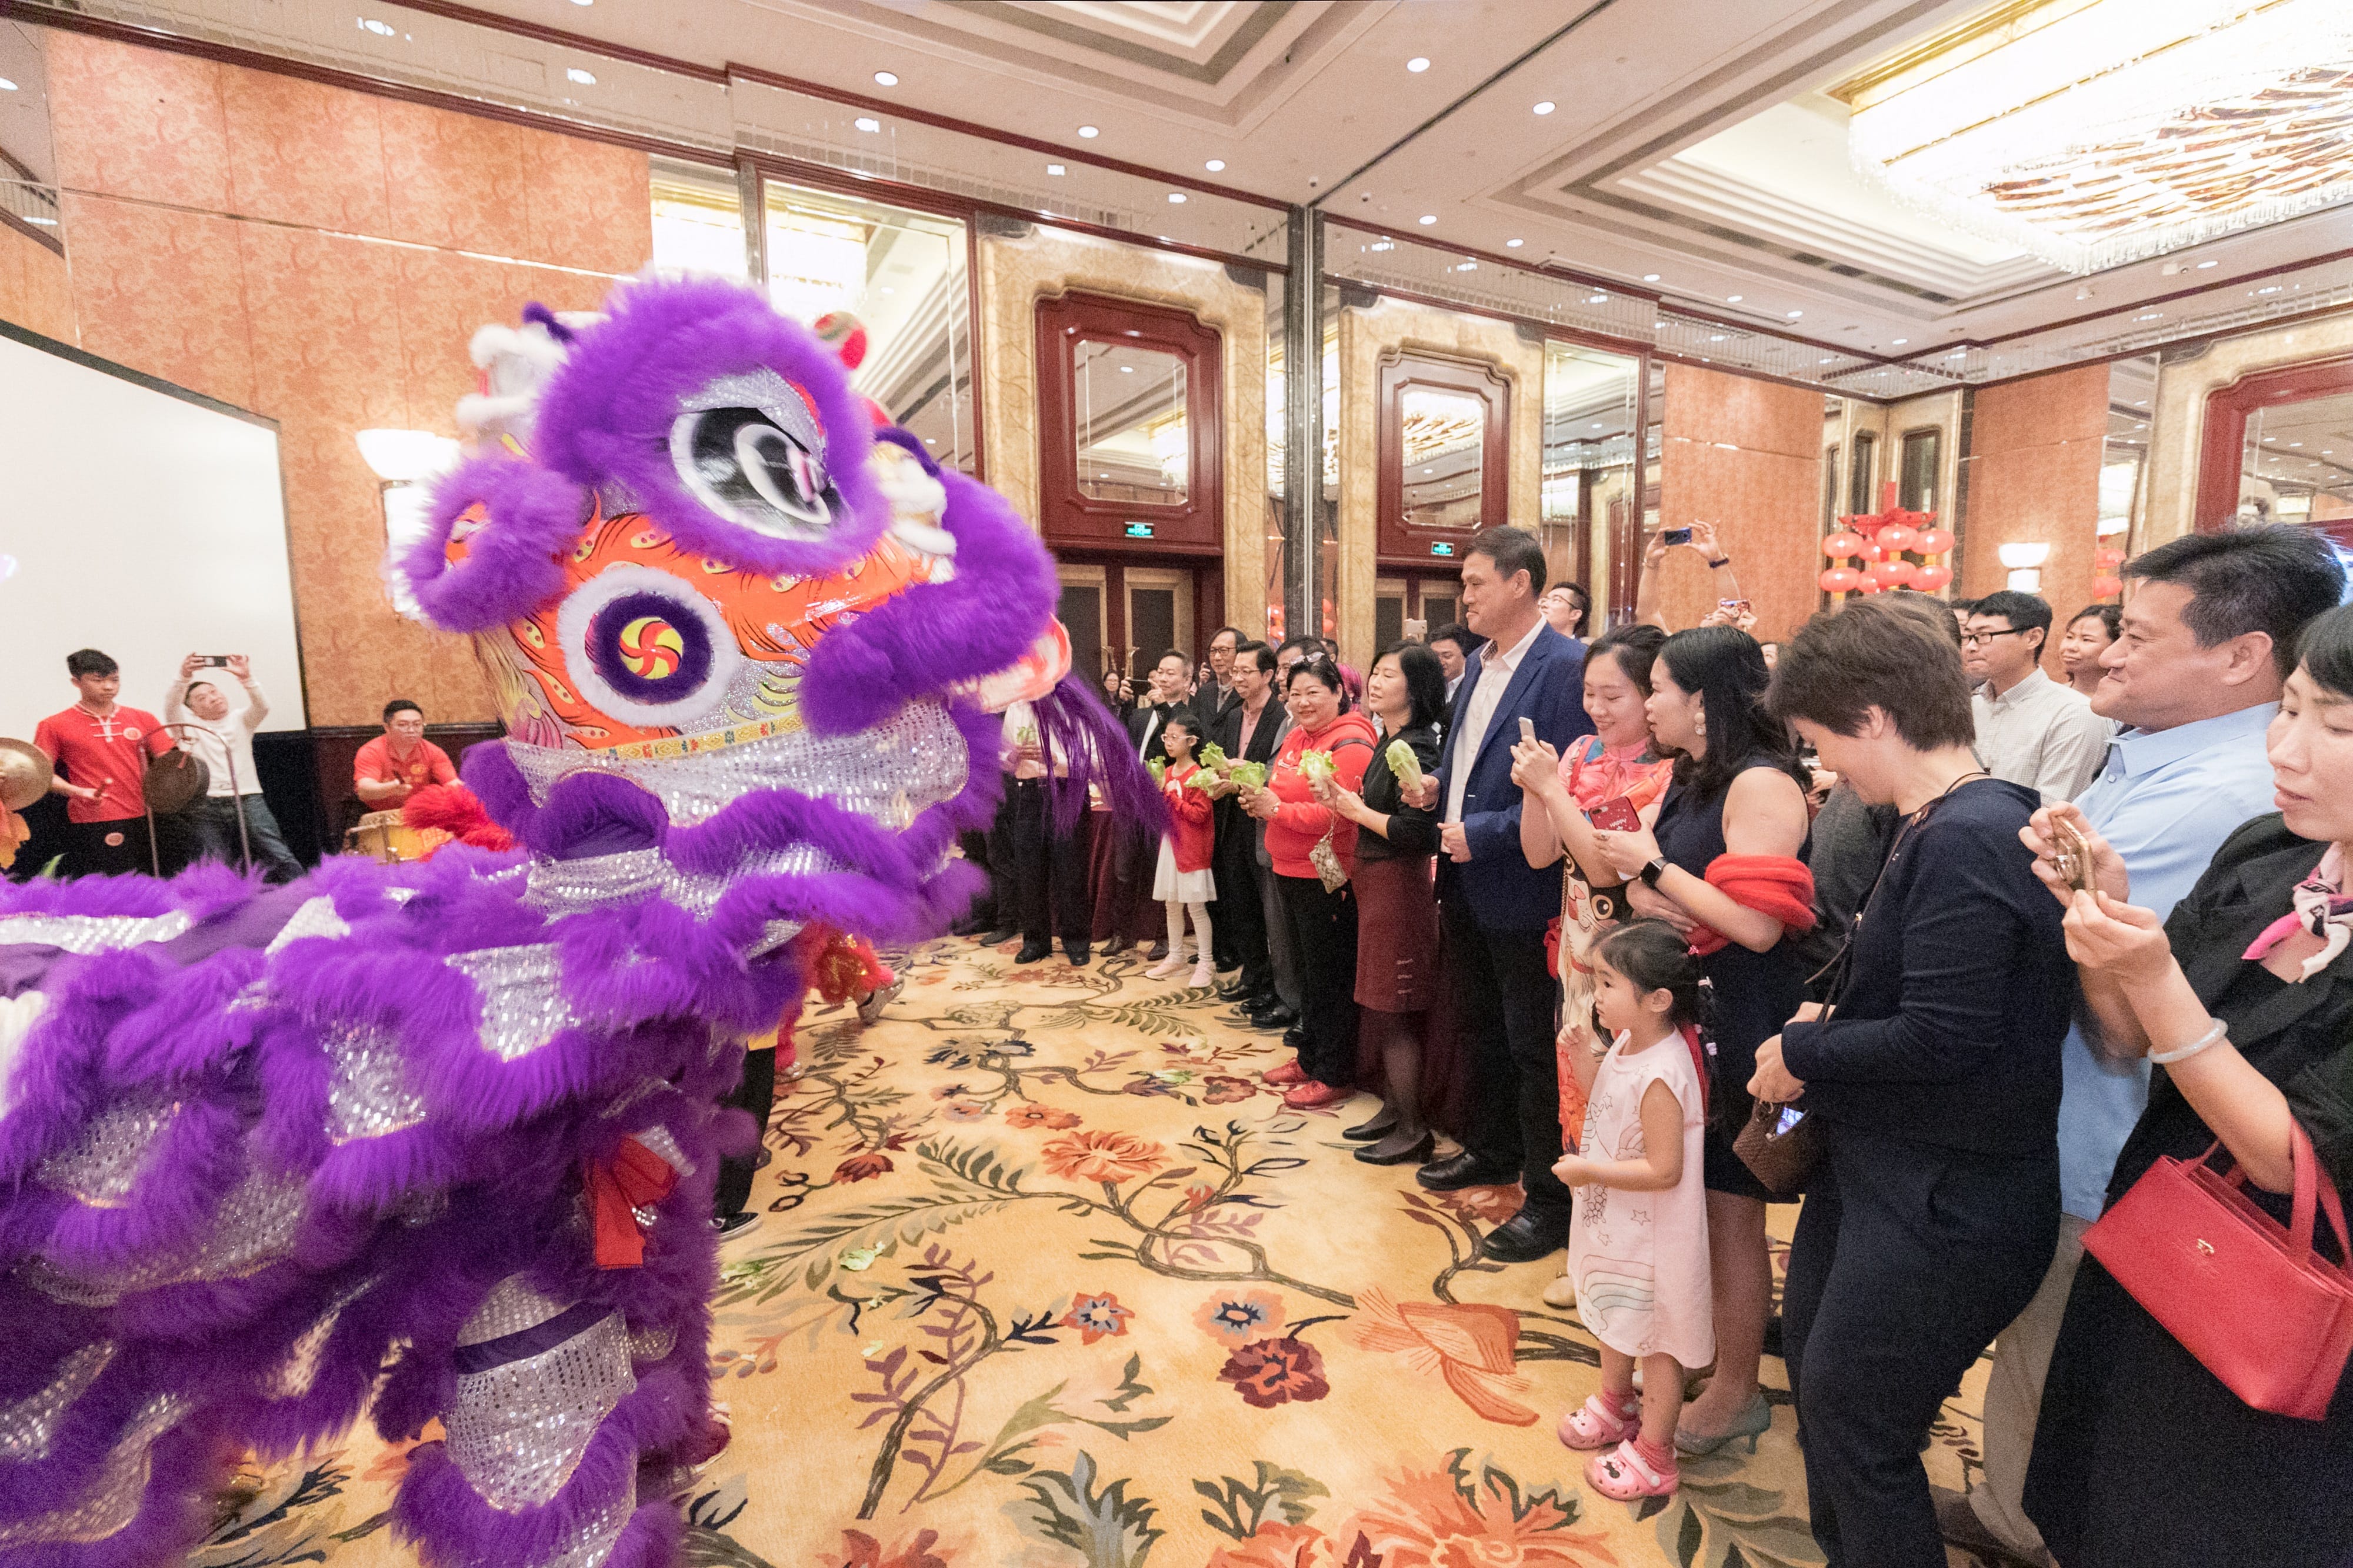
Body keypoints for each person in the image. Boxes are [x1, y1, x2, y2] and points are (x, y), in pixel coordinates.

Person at [1939, 523, 2347, 1567]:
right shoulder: (2274, 850)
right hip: (2159, 1200)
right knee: (2104, 1453)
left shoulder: (2233, 803)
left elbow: (2295, 1156)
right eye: (2292, 712)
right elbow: (2126, 1032)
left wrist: (2154, 977)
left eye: (2334, 725)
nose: (2285, 750)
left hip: (2286, 1266)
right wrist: (2103, 918)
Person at [1749, 598, 2074, 1568]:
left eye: (1823, 742)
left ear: (1875, 717)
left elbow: (1946, 1035)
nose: (1827, 768)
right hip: (1888, 1166)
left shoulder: (1972, 831)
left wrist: (1801, 1053)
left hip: (1949, 1195)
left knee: (1860, 1423)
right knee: (1829, 1393)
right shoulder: (1934, 819)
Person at [1589, 625, 1812, 1453]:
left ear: (1703, 698)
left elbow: (1757, 925)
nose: (1648, 703)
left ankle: (1736, 1390)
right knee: (1692, 1206)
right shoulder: (1694, 776)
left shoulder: (1762, 784)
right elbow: (1678, 897)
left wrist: (1654, 871)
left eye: (1657, 687)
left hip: (1747, 1023)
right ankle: (1709, 1354)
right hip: (1696, 1014)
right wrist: (1651, 892)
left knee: (1731, 1212)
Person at [1407, 525, 1595, 1264]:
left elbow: (1569, 786)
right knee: (1480, 1024)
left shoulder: (1565, 667)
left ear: (1521, 583)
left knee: (1533, 1044)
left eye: (1476, 582)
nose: (1465, 596)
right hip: (1465, 877)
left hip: (1525, 882)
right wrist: (1438, 787)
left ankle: (1549, 1197)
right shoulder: (1480, 663)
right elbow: (1475, 760)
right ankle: (1490, 1148)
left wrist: (1481, 831)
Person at [1507, 622, 1675, 1307]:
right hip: (1577, 955)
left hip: (1634, 960)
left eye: (1615, 695)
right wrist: (1534, 789)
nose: (1597, 709)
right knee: (1579, 1100)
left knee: (1630, 1108)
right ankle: (1591, 1251)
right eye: (1590, 693)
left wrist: (1552, 790)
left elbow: (1608, 869)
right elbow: (1540, 854)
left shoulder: (1667, 771)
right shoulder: (1578, 752)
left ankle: (1629, 1261)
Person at [1553, 919, 1716, 1503]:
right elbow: (1607, 1097)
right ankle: (1616, 1401)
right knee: (1615, 1309)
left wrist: (1590, 1172)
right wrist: (1584, 1058)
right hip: (1623, 1225)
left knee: (1659, 1339)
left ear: (1658, 999)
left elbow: (1665, 1168)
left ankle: (1654, 1452)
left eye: (1607, 984)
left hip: (1655, 1236)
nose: (1596, 995)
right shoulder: (1629, 1043)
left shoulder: (1664, 1072)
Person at [1321, 643, 1444, 1164]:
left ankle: (1414, 1128)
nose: (1374, 681)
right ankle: (1394, 1110)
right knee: (1381, 1006)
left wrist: (1355, 811)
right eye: (1373, 672)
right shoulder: (1389, 740)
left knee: (1395, 1011)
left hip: (1399, 887)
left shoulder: (1419, 748)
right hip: (1376, 882)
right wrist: (1339, 801)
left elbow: (1418, 834)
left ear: (1416, 688)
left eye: (1388, 675)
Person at [1241, 655, 1377, 1109]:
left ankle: (1335, 1072)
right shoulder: (1298, 736)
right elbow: (1280, 789)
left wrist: (1277, 810)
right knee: (1305, 973)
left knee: (1330, 976)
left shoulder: (1352, 742)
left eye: (1313, 692)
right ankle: (1310, 1057)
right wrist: (1260, 800)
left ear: (1339, 692)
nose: (1302, 702)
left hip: (1328, 874)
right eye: (1295, 694)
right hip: (1289, 868)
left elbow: (1341, 815)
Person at [32, 649, 176, 878]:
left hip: (144, 816)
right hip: (90, 816)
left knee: (143, 882)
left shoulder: (143, 718)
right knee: (100, 884)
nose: (109, 687)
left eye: (114, 680)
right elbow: (41, 774)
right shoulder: (53, 725)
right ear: (76, 682)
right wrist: (77, 791)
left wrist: (182, 763)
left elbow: (171, 764)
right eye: (98, 681)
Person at [164, 653, 304, 880]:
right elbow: (171, 706)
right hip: (205, 804)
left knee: (276, 851)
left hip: (247, 797)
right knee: (214, 862)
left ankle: (306, 894)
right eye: (202, 698)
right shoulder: (187, 727)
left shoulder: (241, 720)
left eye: (214, 692)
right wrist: (184, 676)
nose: (212, 698)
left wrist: (247, 679)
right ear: (193, 710)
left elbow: (263, 707)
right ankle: (223, 902)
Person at [1965, 590, 2109, 803]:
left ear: (2033, 638)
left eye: (1984, 636)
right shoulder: (1968, 705)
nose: (1971, 647)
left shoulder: (2073, 713)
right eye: (1968, 636)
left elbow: (2051, 808)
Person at [1209, 640, 1282, 1010]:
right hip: (1232, 820)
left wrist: (1241, 777)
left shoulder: (1282, 717)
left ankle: (1276, 985)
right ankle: (1253, 974)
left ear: (1268, 675)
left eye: (1245, 671)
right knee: (1240, 903)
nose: (1237, 677)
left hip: (1265, 822)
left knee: (1270, 909)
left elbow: (1278, 772)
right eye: (1235, 671)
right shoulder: (1234, 715)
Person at [1002, 697, 1091, 968]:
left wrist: (1054, 759)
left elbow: (1091, 758)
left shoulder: (1075, 707)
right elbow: (1002, 758)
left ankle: (1076, 941)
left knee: (1070, 869)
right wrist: (1014, 756)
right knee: (1029, 871)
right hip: (1029, 794)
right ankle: (1035, 942)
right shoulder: (1016, 707)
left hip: (1067, 792)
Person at [1145, 710, 1216, 987]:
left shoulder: (1199, 775)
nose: (1169, 743)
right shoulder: (1165, 772)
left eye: (1175, 737)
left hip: (1191, 847)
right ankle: (1176, 957)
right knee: (1171, 906)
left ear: (1192, 741)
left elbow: (1199, 815)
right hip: (1170, 844)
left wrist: (1171, 797)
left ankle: (1206, 962)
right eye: (1166, 737)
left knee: (1196, 908)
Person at [1635, 520, 1747, 633]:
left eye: (1710, 619)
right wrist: (1651, 564)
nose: (1708, 623)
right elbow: (1648, 615)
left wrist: (1718, 560)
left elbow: (1732, 614)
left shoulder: (1728, 640)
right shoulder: (1677, 644)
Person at [354, 700, 457, 809]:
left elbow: (452, 783)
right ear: (387, 728)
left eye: (417, 725)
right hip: (375, 811)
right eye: (403, 725)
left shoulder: (433, 751)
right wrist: (390, 789)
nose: (412, 730)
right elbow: (364, 790)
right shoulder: (371, 751)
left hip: (419, 811)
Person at [2059, 602, 2122, 699]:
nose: (2071, 647)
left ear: (2115, 645)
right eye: (2070, 637)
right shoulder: (2052, 696)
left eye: (2086, 640)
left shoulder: (2125, 701)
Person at [1204, 626, 1244, 725]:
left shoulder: (1246, 692)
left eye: (1224, 650)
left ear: (1240, 652)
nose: (1217, 657)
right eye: (1213, 651)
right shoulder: (1205, 692)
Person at [1429, 622, 1477, 705]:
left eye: (1447, 656)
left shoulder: (1473, 684)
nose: (1440, 662)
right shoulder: (1428, 684)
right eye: (1435, 656)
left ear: (1464, 654)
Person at [1539, 582, 1590, 652]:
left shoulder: (1582, 654)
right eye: (1544, 600)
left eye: (1556, 600)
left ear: (1575, 615)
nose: (1544, 605)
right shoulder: (1529, 645)